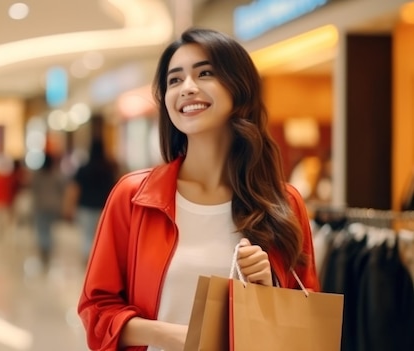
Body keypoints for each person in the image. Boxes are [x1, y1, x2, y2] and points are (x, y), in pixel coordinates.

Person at [77, 27, 319, 351]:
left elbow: (305, 324)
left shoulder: (283, 203)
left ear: (239, 87)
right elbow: (97, 313)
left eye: (205, 73)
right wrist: (177, 335)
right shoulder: (133, 197)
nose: (187, 88)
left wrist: (268, 286)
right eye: (174, 80)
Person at [63, 138, 118, 265]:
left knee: (87, 235)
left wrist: (68, 208)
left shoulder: (83, 169)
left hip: (85, 206)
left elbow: (74, 189)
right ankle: (98, 260)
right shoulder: (109, 169)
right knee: (100, 236)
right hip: (103, 207)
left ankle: (88, 261)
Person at [30, 154, 67, 268]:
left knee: (42, 229)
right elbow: (63, 190)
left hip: (41, 205)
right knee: (49, 230)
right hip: (53, 206)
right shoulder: (57, 175)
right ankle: (48, 248)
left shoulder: (38, 176)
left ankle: (44, 249)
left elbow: (33, 189)